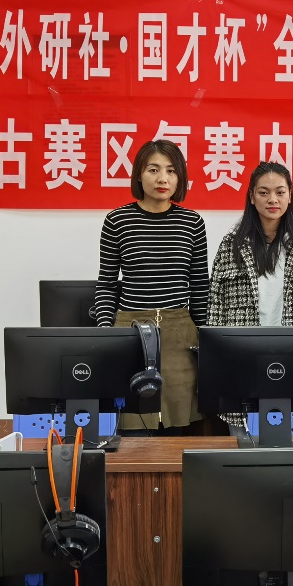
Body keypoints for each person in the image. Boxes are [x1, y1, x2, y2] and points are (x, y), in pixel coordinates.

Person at [94, 139, 208, 434]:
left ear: (179, 177)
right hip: (130, 332)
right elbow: (107, 284)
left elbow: (199, 287)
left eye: (171, 171)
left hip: (179, 336)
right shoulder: (117, 221)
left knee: (178, 431)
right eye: (153, 170)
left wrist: (206, 340)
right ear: (139, 175)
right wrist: (106, 333)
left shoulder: (192, 223)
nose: (162, 178)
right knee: (133, 431)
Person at [207, 162, 293, 327]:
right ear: (252, 196)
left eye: (280, 192)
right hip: (242, 342)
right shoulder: (231, 245)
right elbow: (215, 305)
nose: (273, 200)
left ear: (290, 196)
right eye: (263, 193)